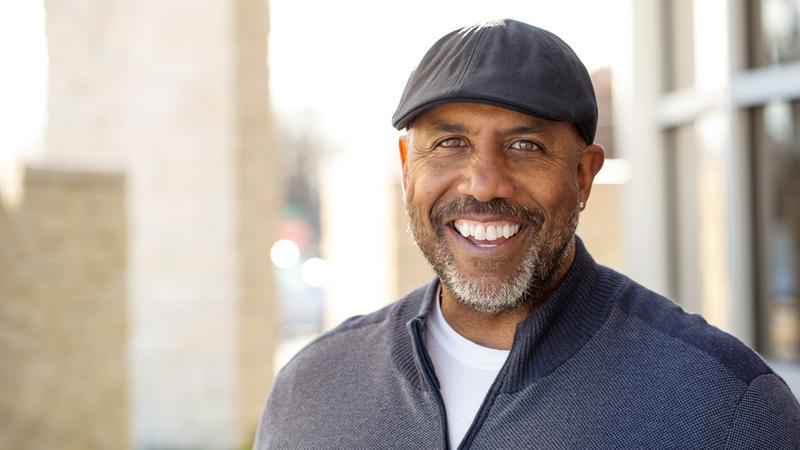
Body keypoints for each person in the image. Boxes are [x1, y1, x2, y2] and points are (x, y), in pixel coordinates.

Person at [254, 19, 800, 449]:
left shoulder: (724, 406)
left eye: (525, 146)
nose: (485, 183)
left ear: (584, 174)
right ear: (406, 168)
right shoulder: (312, 388)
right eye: (450, 143)